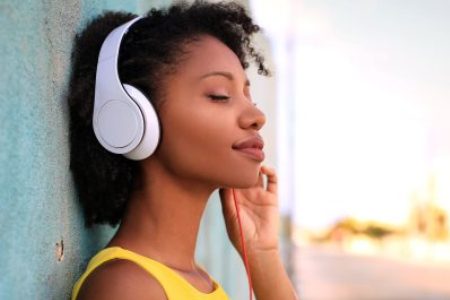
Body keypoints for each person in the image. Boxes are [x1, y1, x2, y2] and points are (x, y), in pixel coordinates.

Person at [68, 1, 298, 299]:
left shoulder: (199, 282)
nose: (257, 116)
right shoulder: (127, 288)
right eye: (220, 95)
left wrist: (262, 253)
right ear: (133, 119)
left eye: (248, 96)